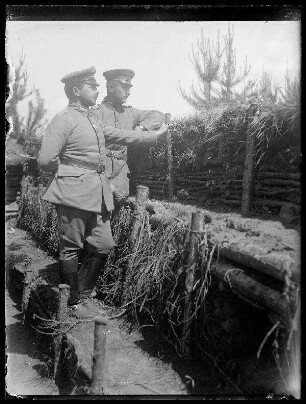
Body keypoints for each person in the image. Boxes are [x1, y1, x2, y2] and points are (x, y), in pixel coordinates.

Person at [37, 66, 168, 319]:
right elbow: (45, 160)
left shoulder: (92, 119)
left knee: (104, 244)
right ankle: (73, 304)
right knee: (71, 248)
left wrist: (154, 136)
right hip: (73, 192)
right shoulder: (64, 118)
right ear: (76, 90)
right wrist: (69, 174)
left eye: (98, 86)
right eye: (92, 86)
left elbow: (121, 135)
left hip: (98, 192)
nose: (98, 90)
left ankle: (83, 296)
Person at [91, 69, 165, 203]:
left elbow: (158, 115)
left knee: (118, 216)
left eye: (129, 88)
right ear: (111, 87)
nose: (128, 91)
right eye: (124, 87)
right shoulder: (96, 113)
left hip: (121, 178)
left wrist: (141, 127)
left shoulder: (130, 113)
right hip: (100, 175)